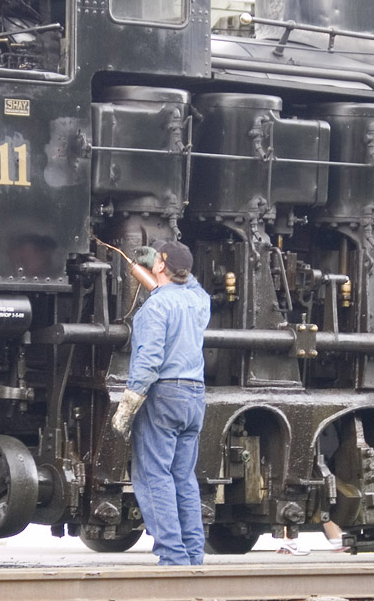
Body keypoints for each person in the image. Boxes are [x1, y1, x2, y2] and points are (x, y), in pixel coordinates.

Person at [112, 239, 211, 566]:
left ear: (159, 266)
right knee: (183, 477)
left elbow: (149, 361)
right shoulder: (199, 302)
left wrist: (129, 405)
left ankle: (172, 557)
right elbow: (192, 284)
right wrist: (174, 268)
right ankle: (193, 555)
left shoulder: (155, 308)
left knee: (154, 475)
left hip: (164, 396)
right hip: (194, 396)